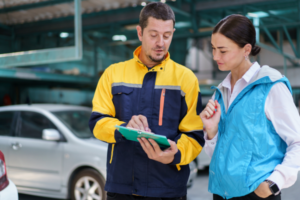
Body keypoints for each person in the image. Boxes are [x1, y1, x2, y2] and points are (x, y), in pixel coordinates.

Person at [89, 2, 205, 200]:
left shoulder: (186, 79)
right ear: (140, 32)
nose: (161, 42)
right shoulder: (113, 74)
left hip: (168, 189)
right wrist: (123, 128)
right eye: (153, 35)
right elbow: (97, 123)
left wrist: (175, 154)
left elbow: (194, 135)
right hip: (122, 189)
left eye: (167, 35)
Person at [200, 14, 300, 200]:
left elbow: (297, 141)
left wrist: (273, 182)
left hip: (258, 193)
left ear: (246, 49)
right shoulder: (220, 92)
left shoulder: (270, 86)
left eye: (222, 50)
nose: (215, 56)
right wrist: (212, 133)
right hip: (222, 193)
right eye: (213, 49)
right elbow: (219, 155)